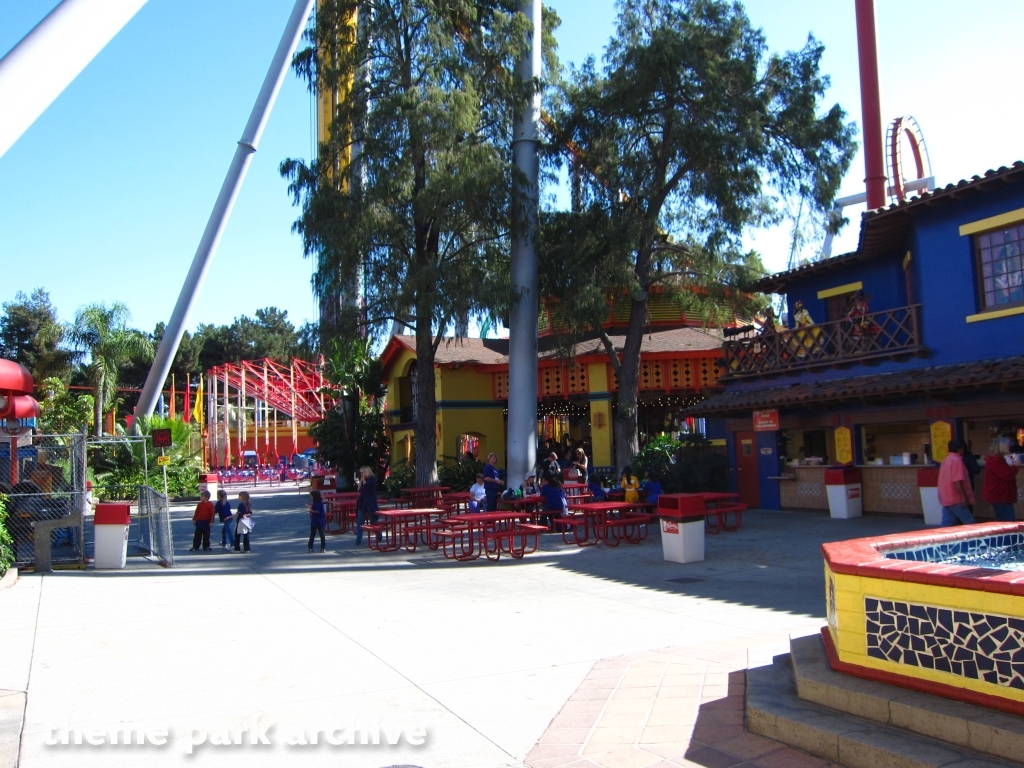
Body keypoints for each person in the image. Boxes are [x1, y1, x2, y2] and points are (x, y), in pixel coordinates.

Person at [938, 439, 976, 526]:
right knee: (970, 523)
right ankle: (976, 539)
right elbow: (957, 482)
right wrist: (964, 497)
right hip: (956, 498)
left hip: (946, 497)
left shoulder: (946, 460)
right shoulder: (957, 460)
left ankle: (942, 539)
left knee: (947, 524)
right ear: (960, 448)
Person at [982, 437, 1020, 522]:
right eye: (1008, 445)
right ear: (1002, 446)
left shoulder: (996, 459)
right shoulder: (996, 460)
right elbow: (1007, 475)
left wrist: (1012, 457)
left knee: (1001, 520)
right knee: (1008, 522)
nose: (1009, 447)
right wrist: (1016, 466)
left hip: (1000, 495)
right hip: (1000, 495)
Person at [355, 466, 380, 545]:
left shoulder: (372, 479)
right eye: (360, 473)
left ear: (366, 472)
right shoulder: (363, 479)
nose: (361, 474)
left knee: (373, 520)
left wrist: (364, 480)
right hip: (362, 502)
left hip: (370, 502)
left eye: (362, 473)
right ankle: (358, 539)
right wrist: (361, 480)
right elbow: (359, 489)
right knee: (360, 521)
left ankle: (379, 535)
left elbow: (365, 487)